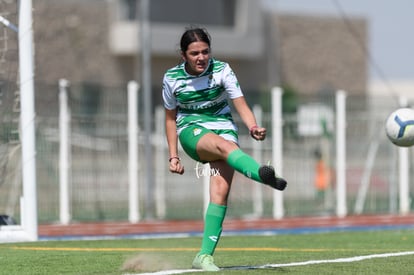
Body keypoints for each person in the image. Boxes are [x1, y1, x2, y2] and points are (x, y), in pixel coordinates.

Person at [162, 27, 287, 271]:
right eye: (195, 53)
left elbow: (239, 102)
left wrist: (252, 126)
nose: (201, 57)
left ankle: (204, 256)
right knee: (224, 146)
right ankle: (263, 176)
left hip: (224, 129)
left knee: (219, 193)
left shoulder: (222, 70)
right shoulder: (171, 78)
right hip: (191, 131)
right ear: (183, 54)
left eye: (205, 52)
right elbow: (169, 118)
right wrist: (173, 155)